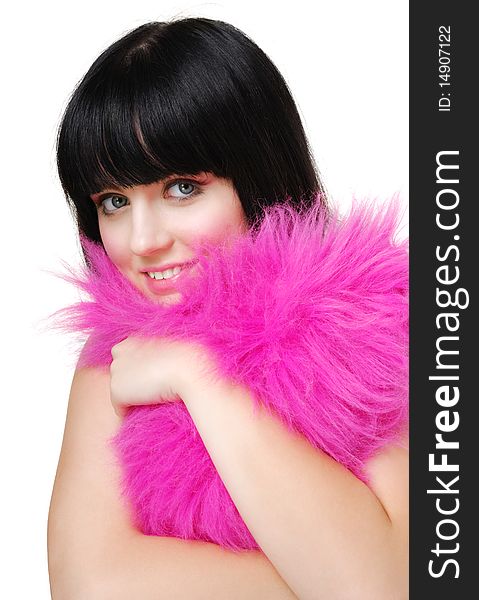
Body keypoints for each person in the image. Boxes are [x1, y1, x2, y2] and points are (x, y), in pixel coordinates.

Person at [47, 17, 408, 599]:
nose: (142, 241)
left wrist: (197, 375)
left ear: (257, 173)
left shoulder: (372, 324)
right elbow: (89, 584)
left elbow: (387, 587)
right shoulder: (117, 355)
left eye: (181, 188)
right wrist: (318, 574)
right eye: (114, 201)